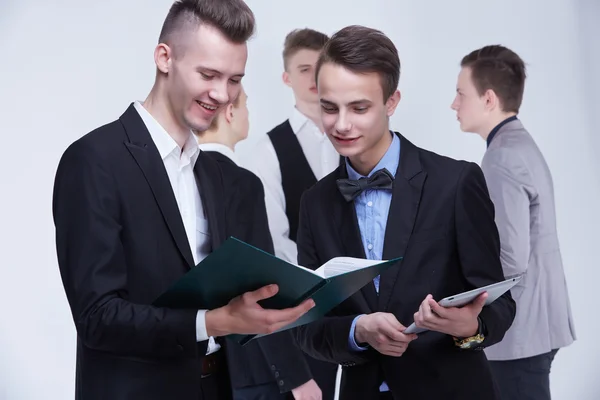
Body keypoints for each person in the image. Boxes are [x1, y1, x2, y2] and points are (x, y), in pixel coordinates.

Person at [51, 1, 314, 399]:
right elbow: (97, 317)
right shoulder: (94, 160)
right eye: (208, 74)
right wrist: (213, 322)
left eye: (234, 79)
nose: (222, 95)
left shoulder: (227, 178)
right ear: (164, 58)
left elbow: (252, 293)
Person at [293, 25, 517, 400]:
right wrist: (357, 330)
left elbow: (501, 306)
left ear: (392, 102)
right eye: (329, 108)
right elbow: (306, 327)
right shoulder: (314, 202)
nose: (341, 124)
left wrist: (469, 325)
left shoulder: (456, 182)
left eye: (359, 107)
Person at [451, 44, 576, 400]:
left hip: (520, 333)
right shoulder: (517, 144)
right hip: (539, 324)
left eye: (461, 94)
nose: (454, 104)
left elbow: (509, 260)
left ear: (488, 98)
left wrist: (455, 299)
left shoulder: (502, 158)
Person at [194, 86, 322, 400]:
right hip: (251, 365)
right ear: (229, 112)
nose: (249, 114)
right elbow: (259, 284)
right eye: (246, 105)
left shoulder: (181, 178)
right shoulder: (240, 182)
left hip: (197, 361)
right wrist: (297, 376)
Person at [245, 28, 339, 400]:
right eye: (304, 69)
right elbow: (272, 240)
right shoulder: (267, 150)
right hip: (304, 306)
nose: (314, 77)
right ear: (287, 78)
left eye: (322, 67)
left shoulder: (356, 134)